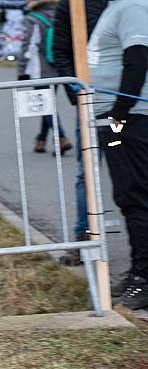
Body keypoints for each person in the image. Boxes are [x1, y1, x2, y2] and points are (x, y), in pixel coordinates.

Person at [87, 0, 148, 309]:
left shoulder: (131, 7)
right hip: (121, 119)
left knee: (135, 196)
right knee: (130, 196)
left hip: (131, 120)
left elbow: (138, 59)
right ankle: (140, 271)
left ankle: (144, 277)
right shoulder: (117, 8)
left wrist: (119, 113)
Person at [52, 0, 109, 264]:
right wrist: (78, 93)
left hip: (131, 101)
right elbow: (60, 51)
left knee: (135, 175)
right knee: (86, 171)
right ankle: (84, 238)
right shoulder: (72, 5)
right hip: (91, 100)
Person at [16, 0, 72, 154]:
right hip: (60, 67)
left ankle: (61, 138)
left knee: (44, 105)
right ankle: (41, 140)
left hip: (40, 69)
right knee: (47, 104)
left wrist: (22, 69)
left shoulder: (33, 19)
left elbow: (28, 45)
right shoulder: (63, 15)